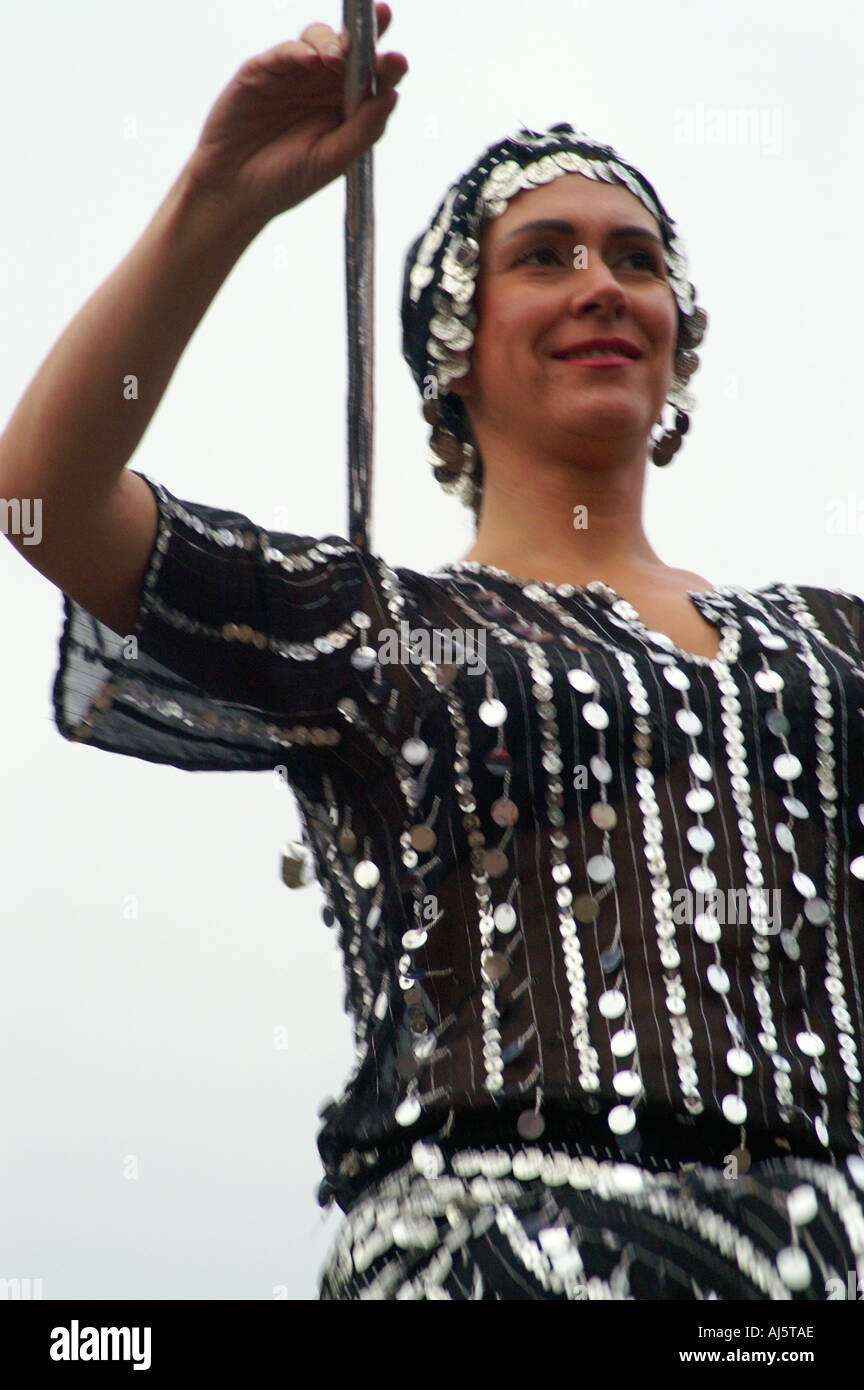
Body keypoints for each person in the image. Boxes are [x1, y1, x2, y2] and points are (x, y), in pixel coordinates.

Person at [3, 4, 864, 1301]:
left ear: (678, 329)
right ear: (452, 343)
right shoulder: (375, 628)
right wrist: (217, 203)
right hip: (483, 1260)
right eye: (546, 256)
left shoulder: (829, 645)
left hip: (798, 1278)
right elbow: (41, 499)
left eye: (635, 259)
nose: (601, 285)